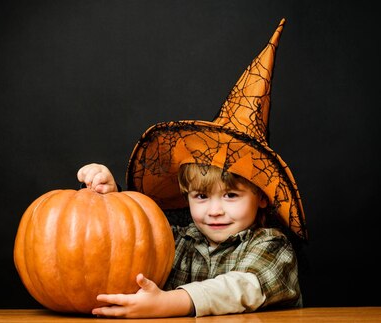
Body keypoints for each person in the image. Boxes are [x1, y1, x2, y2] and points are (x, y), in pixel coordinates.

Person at [76, 18, 308, 318]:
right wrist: (111, 197)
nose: (214, 211)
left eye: (231, 196)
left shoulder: (273, 247)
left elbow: (238, 289)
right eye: (201, 196)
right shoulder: (179, 241)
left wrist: (169, 303)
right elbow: (130, 240)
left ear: (261, 196)